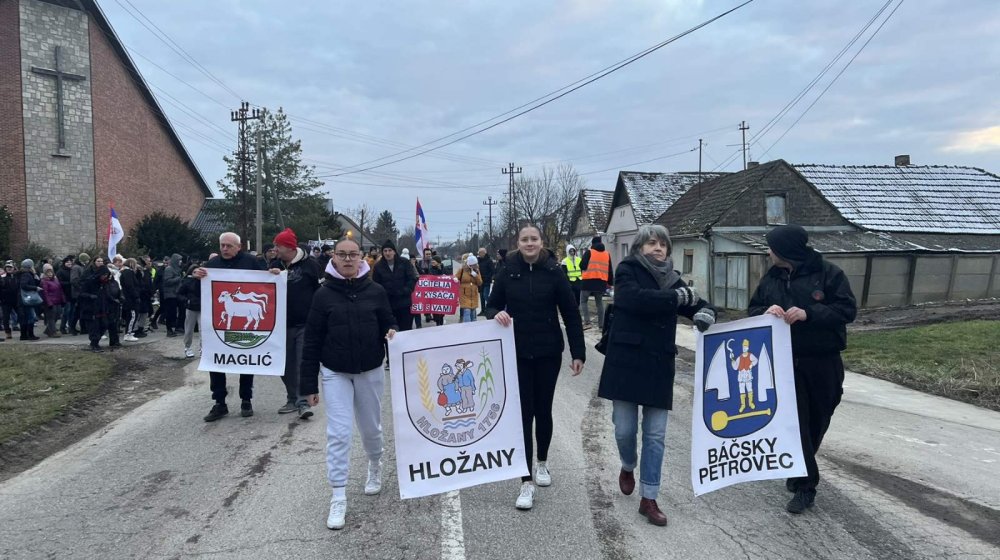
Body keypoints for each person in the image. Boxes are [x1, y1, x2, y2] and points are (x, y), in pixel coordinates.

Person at [597, 224, 716, 527]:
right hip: (626, 362)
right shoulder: (627, 270)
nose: (658, 248)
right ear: (639, 247)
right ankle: (627, 465)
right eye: (651, 243)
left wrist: (706, 312)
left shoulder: (674, 280)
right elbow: (633, 300)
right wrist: (677, 298)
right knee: (624, 429)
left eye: (663, 244)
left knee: (655, 437)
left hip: (659, 365)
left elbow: (696, 303)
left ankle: (649, 497)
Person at [748, 224, 857, 514]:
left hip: (824, 361)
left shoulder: (829, 274)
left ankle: (798, 470)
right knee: (797, 424)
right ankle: (806, 486)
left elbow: (847, 310)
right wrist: (765, 312)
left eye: (771, 246)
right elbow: (753, 308)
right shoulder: (771, 278)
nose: (768, 251)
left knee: (819, 419)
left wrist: (810, 313)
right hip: (786, 362)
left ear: (785, 250)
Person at [300, 237, 398, 530]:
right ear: (334, 258)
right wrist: (309, 385)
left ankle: (374, 464)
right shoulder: (322, 295)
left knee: (371, 428)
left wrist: (392, 332)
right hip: (335, 371)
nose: (347, 259)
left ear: (361, 258)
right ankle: (338, 494)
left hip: (370, 369)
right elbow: (313, 339)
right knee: (339, 433)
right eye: (341, 254)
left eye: (352, 254)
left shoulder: (376, 291)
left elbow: (389, 322)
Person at [486, 223, 586, 510]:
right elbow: (491, 306)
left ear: (542, 242)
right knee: (523, 414)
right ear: (518, 243)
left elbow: (570, 313)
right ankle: (525, 481)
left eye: (534, 239)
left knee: (543, 411)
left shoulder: (555, 272)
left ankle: (542, 462)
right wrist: (498, 314)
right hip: (516, 353)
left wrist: (578, 352)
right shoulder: (507, 270)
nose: (529, 243)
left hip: (548, 352)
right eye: (524, 239)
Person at [194, 233, 269, 422]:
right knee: (216, 363)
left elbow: (268, 282)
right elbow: (193, 292)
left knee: (246, 359)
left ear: (239, 246)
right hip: (217, 330)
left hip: (244, 326)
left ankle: (246, 399)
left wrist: (274, 273)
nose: (225, 249)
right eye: (222, 245)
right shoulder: (211, 266)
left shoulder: (252, 262)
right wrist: (195, 277)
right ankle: (219, 402)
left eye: (229, 245)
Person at [269, 227, 320, 419]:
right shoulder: (275, 264)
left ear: (289, 248)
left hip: (305, 323)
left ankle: (302, 402)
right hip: (280, 325)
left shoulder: (311, 265)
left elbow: (320, 291)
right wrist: (270, 276)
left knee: (300, 362)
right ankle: (291, 396)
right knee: (284, 364)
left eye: (278, 245)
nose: (275, 249)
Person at [372, 239, 417, 333]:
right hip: (388, 305)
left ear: (394, 251)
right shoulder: (378, 267)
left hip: (404, 303)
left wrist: (404, 291)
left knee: (405, 331)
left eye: (390, 250)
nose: (388, 253)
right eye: (385, 251)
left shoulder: (404, 263)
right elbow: (376, 284)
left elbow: (411, 279)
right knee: (390, 333)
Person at [81, 257, 121, 352]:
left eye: (106, 275)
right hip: (91, 308)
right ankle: (94, 344)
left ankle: (95, 343)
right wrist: (91, 296)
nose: (105, 277)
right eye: (103, 275)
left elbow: (108, 294)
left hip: (102, 307)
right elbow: (81, 293)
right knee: (94, 328)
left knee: (103, 325)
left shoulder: (105, 284)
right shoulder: (90, 282)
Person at [580, 235, 613, 330]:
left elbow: (582, 266)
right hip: (601, 283)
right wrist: (610, 283)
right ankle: (601, 325)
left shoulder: (589, 252)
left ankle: (587, 323)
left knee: (583, 301)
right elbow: (610, 270)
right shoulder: (607, 254)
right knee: (599, 303)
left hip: (587, 282)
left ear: (592, 243)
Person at [177, 263, 201, 358]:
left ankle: (202, 348)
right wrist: (187, 301)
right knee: (189, 329)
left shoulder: (203, 281)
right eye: (195, 271)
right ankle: (187, 347)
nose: (197, 273)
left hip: (202, 308)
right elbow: (179, 294)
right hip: (191, 308)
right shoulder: (186, 281)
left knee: (202, 330)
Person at [16, 259, 41, 341]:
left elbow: (37, 281)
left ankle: (24, 335)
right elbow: (24, 285)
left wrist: (35, 274)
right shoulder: (26, 274)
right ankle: (30, 334)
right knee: (31, 317)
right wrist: (35, 288)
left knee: (25, 317)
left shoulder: (23, 274)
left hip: (23, 299)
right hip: (27, 298)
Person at [40, 264, 66, 338]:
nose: (50, 274)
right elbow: (45, 293)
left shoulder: (55, 280)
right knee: (51, 317)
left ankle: (48, 329)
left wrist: (63, 299)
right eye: (48, 273)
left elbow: (60, 290)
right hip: (50, 302)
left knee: (57, 315)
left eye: (51, 272)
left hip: (57, 301)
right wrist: (49, 302)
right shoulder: (44, 281)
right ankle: (53, 331)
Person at [458, 254, 482, 322]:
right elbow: (456, 278)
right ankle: (467, 327)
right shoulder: (462, 270)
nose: (475, 266)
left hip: (473, 294)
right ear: (469, 264)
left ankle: (473, 328)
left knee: (473, 312)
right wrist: (455, 280)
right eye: (473, 264)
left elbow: (480, 283)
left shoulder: (477, 270)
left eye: (476, 264)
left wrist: (475, 275)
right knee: (467, 311)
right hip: (464, 294)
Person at [0, 261, 19, 338]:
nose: (9, 268)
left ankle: (21, 328)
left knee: (21, 315)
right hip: (6, 301)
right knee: (6, 317)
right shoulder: (2, 278)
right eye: (7, 267)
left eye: (10, 267)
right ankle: (8, 332)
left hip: (16, 300)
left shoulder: (16, 277)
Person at [57, 256, 74, 335]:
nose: (69, 263)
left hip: (72, 294)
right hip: (65, 293)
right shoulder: (61, 271)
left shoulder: (72, 270)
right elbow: (59, 283)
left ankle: (70, 326)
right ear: (64, 263)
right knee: (66, 312)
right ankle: (62, 327)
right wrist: (69, 283)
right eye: (67, 262)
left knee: (71, 312)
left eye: (70, 262)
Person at [476, 247, 494, 316]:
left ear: (484, 253)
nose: (479, 254)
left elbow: (492, 271)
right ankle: (483, 311)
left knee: (485, 295)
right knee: (481, 297)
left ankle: (491, 307)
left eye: (480, 253)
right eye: (478, 253)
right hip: (480, 281)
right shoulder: (478, 261)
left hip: (486, 281)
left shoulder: (489, 261)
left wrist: (488, 277)